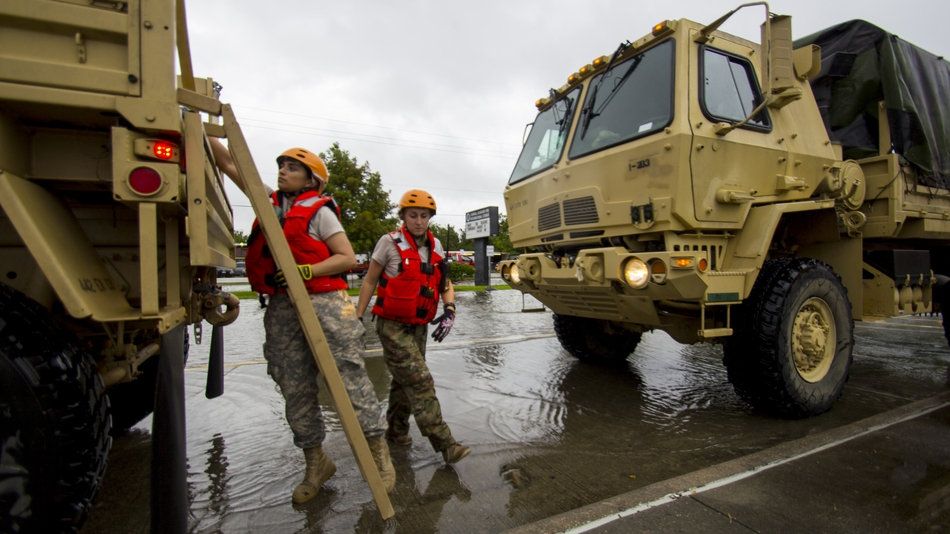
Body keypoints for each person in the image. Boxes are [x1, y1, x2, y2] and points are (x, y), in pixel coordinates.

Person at [210, 139, 395, 504]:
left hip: (326, 302)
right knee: (292, 382)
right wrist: (193, 118)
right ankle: (316, 463)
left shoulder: (320, 213)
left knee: (349, 378)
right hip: (283, 305)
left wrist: (307, 270)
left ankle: (379, 455)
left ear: (312, 180)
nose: (283, 171)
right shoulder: (269, 202)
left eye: (292, 167)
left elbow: (345, 258)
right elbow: (231, 163)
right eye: (281, 165)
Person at [356, 189, 471, 464]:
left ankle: (396, 432)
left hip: (418, 326)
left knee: (404, 381)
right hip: (392, 327)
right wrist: (357, 317)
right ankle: (446, 443)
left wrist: (450, 308)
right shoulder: (388, 242)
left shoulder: (436, 245)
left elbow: (444, 283)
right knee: (420, 380)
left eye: (424, 216)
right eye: (413, 215)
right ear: (403, 217)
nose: (419, 221)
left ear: (430, 217)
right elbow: (370, 280)